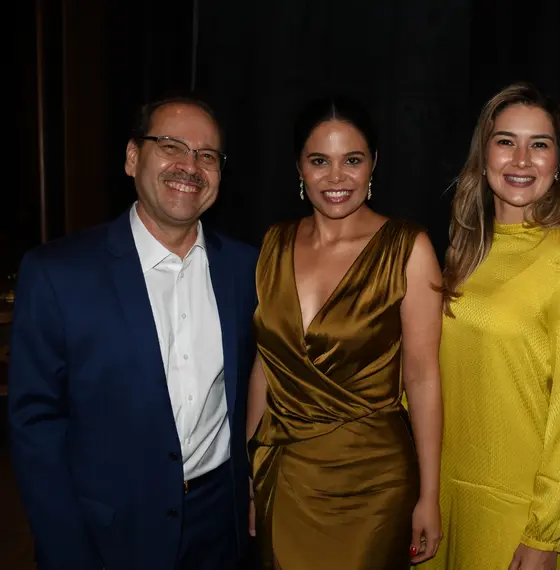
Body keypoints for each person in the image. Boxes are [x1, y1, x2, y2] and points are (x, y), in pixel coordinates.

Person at [7, 97, 259, 570]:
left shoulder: (247, 270)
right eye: (170, 146)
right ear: (131, 158)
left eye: (207, 156)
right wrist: (66, 549)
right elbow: (35, 430)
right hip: (107, 534)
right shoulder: (57, 274)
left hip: (220, 530)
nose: (190, 166)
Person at [246, 96, 443, 570]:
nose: (336, 178)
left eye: (352, 160)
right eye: (320, 161)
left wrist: (429, 496)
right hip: (286, 470)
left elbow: (422, 377)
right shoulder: (273, 244)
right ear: (299, 168)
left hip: (373, 480)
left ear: (373, 165)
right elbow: (265, 367)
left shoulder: (407, 248)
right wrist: (251, 474)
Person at [422, 83, 560, 570]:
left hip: (515, 515)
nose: (522, 159)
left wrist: (545, 535)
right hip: (442, 493)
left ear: (558, 162)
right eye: (506, 141)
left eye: (539, 144)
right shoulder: (463, 250)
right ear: (483, 155)